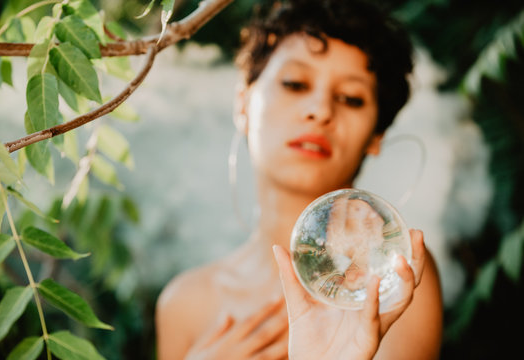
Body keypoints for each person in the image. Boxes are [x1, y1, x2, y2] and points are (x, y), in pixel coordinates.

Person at [155, 0, 443, 358]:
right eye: (295, 83)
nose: (321, 110)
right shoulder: (184, 304)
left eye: (351, 98)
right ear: (242, 105)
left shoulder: (393, 275)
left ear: (375, 136)